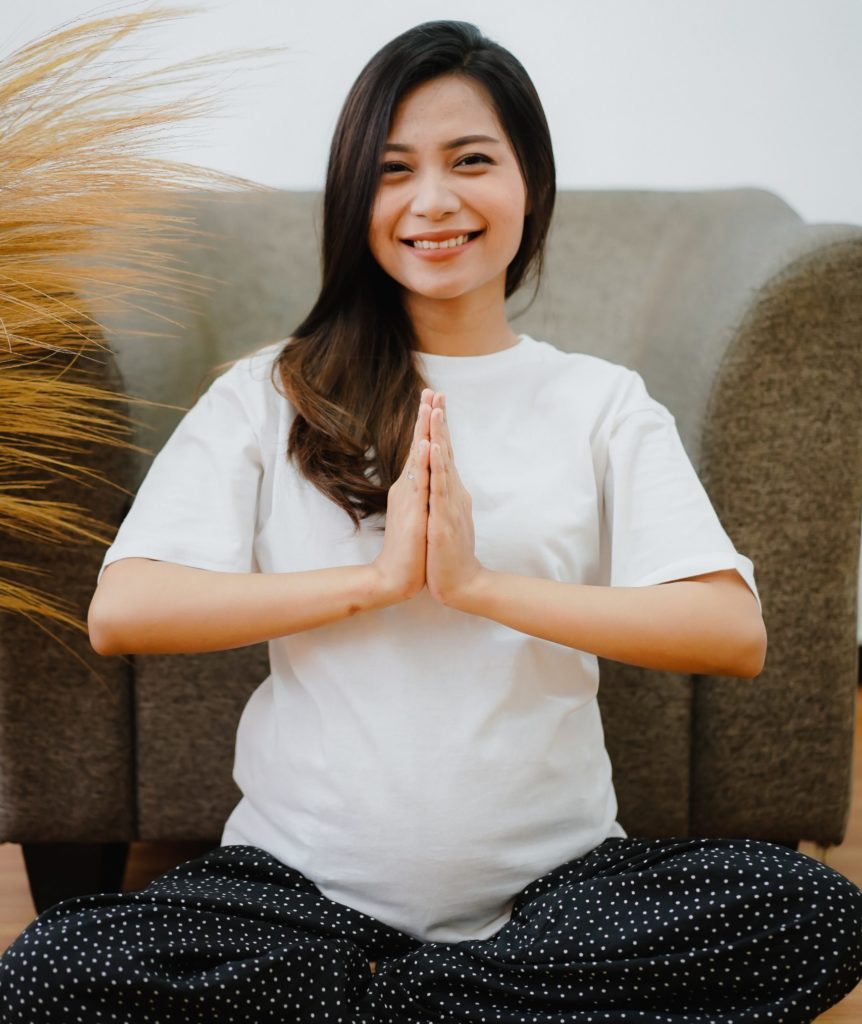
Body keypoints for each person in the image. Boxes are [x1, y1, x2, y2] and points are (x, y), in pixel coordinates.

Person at [2, 19, 861, 1024]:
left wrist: (479, 584)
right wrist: (374, 581)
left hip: (555, 892)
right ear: (356, 197)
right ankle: (446, 1004)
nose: (434, 200)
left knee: (812, 914)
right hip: (294, 894)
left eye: (470, 161)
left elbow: (729, 632)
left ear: (527, 182)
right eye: (394, 169)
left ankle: (388, 1001)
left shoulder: (599, 402)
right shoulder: (268, 393)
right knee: (49, 967)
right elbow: (125, 609)